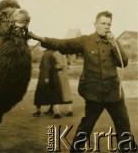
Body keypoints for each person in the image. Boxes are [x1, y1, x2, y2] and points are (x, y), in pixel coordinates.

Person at [29, 11, 137, 152]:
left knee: (124, 127)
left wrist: (113, 44)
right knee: (86, 126)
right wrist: (39, 38)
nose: (106, 27)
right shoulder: (86, 41)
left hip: (114, 93)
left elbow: (123, 62)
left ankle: (128, 150)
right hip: (94, 94)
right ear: (95, 24)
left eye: (109, 24)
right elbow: (62, 44)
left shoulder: (113, 42)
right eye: (103, 23)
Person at [32, 49, 73, 119]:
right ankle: (52, 109)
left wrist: (51, 68)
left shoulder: (57, 53)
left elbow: (60, 65)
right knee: (61, 93)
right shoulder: (60, 52)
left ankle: (64, 111)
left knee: (57, 92)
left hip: (59, 75)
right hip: (62, 74)